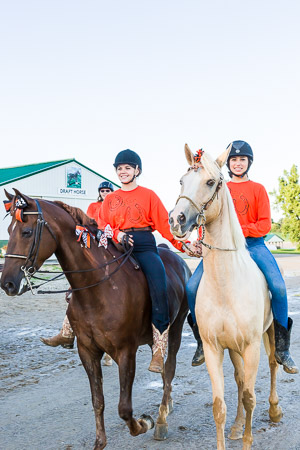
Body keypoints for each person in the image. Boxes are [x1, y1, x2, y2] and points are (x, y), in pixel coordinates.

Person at [187, 140, 298, 374]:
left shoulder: (257, 189)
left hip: (253, 245)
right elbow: (205, 216)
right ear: (228, 164)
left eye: (242, 160)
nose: (238, 163)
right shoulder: (218, 187)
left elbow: (265, 224)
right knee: (191, 286)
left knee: (278, 287)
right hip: (219, 249)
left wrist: (240, 232)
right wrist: (202, 237)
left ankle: (282, 346)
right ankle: (200, 341)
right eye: (234, 160)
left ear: (249, 163)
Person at [101, 149, 187, 373]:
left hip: (144, 244)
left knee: (160, 286)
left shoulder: (148, 195)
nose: (123, 172)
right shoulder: (109, 199)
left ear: (137, 170)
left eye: (127, 168)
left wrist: (182, 244)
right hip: (117, 246)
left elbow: (163, 225)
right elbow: (101, 224)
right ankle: (73, 328)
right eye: (119, 169)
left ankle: (158, 349)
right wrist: (116, 234)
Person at [40, 181, 114, 349]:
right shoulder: (93, 206)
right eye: (102, 190)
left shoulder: (115, 206)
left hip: (112, 242)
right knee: (80, 284)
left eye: (108, 190)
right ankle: (66, 331)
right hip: (95, 244)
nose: (105, 193)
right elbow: (87, 223)